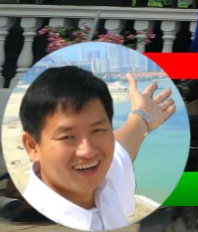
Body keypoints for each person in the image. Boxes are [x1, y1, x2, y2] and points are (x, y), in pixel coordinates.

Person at [19, 66, 176, 231]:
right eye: (67, 137)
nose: (87, 151)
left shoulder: (106, 179)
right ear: (32, 146)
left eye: (98, 130)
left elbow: (122, 147)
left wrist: (143, 115)